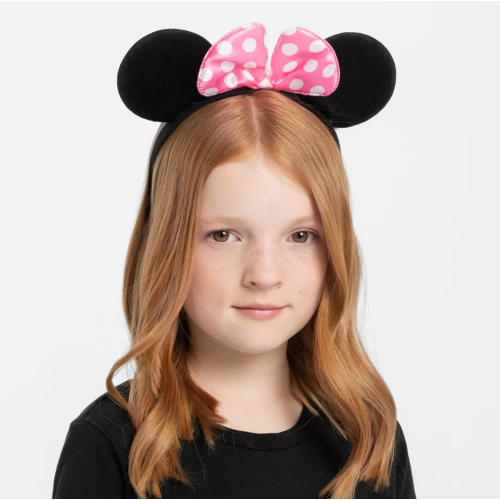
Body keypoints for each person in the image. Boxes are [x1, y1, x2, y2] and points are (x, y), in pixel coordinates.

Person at [53, 23, 416, 499]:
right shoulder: (111, 444)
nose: (264, 274)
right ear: (167, 245)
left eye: (301, 236)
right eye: (222, 235)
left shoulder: (368, 437)